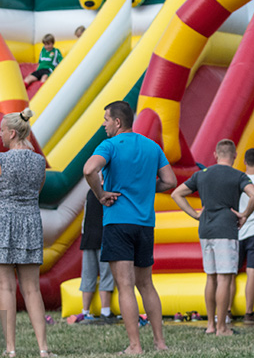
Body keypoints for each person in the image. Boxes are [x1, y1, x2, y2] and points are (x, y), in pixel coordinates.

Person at [83, 101, 177, 355]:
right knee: (146, 284)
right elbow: (170, 180)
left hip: (118, 222)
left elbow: (89, 169)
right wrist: (146, 188)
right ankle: (160, 343)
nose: (103, 124)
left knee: (125, 285)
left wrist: (100, 194)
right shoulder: (152, 146)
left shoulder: (110, 145)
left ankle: (135, 346)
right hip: (145, 224)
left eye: (105, 119)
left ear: (118, 122)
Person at [0, 108, 54, 357]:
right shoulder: (39, 162)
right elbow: (37, 191)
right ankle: (43, 348)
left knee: (6, 288)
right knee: (32, 289)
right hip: (30, 223)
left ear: (12, 133)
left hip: (2, 223)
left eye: (1, 131)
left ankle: (10, 349)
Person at [172, 139, 254, 336]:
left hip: (206, 230)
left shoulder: (201, 175)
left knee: (211, 277)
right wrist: (244, 214)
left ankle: (211, 325)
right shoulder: (238, 175)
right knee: (224, 278)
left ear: (215, 154)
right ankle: (222, 328)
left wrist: (195, 214)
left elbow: (177, 194)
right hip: (226, 230)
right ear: (235, 155)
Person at [228, 148, 254, 324]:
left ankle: (228, 310)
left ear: (244, 162)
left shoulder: (238, 181)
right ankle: (248, 312)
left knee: (231, 272)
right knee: (252, 272)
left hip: (237, 231)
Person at [69, 188, 116, 325]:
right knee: (106, 274)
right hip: (105, 237)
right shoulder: (110, 192)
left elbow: (85, 218)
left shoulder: (90, 192)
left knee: (88, 274)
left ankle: (85, 311)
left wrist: (84, 236)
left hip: (89, 238)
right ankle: (105, 311)